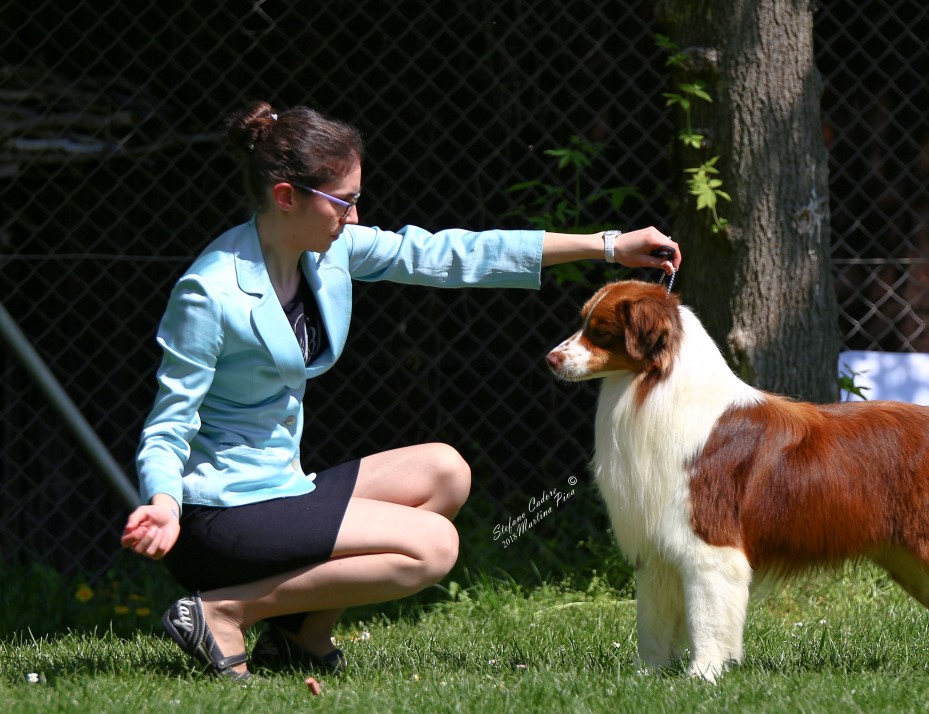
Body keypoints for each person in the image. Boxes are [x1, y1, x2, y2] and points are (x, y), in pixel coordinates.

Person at [120, 100, 681, 681]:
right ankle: (222, 611)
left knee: (445, 471)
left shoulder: (329, 253)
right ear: (287, 197)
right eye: (344, 202)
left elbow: (448, 254)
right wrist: (163, 504)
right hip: (219, 513)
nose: (356, 218)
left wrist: (609, 246)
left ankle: (299, 640)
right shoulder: (209, 292)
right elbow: (169, 423)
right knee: (433, 547)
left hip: (281, 487)